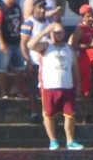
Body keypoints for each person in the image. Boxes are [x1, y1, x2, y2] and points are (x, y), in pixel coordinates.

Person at [29, 21, 83, 150]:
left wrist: (78, 86)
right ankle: (53, 140)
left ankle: (70, 140)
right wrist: (44, 31)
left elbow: (75, 68)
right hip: (49, 87)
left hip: (67, 86)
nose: (60, 35)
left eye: (62, 32)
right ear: (52, 33)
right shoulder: (45, 46)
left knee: (70, 114)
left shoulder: (69, 48)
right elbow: (30, 44)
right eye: (57, 32)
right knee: (48, 114)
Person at [0, 0, 26, 99]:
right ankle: (2, 91)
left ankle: (15, 88)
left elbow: (21, 22)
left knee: (21, 67)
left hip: (17, 41)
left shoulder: (17, 7)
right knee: (2, 68)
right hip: (5, 42)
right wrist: (1, 43)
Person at [20, 0, 50, 115]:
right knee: (33, 88)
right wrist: (27, 60)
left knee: (45, 88)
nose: (42, 10)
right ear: (34, 8)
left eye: (43, 8)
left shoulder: (48, 21)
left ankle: (46, 112)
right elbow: (23, 43)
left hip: (46, 61)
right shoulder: (29, 22)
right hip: (33, 60)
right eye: (39, 7)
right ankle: (33, 113)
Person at [71, 4, 93, 111]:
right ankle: (87, 111)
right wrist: (89, 45)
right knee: (86, 87)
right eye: (88, 16)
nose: (91, 18)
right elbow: (74, 45)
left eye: (92, 16)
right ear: (83, 17)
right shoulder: (80, 28)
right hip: (85, 60)